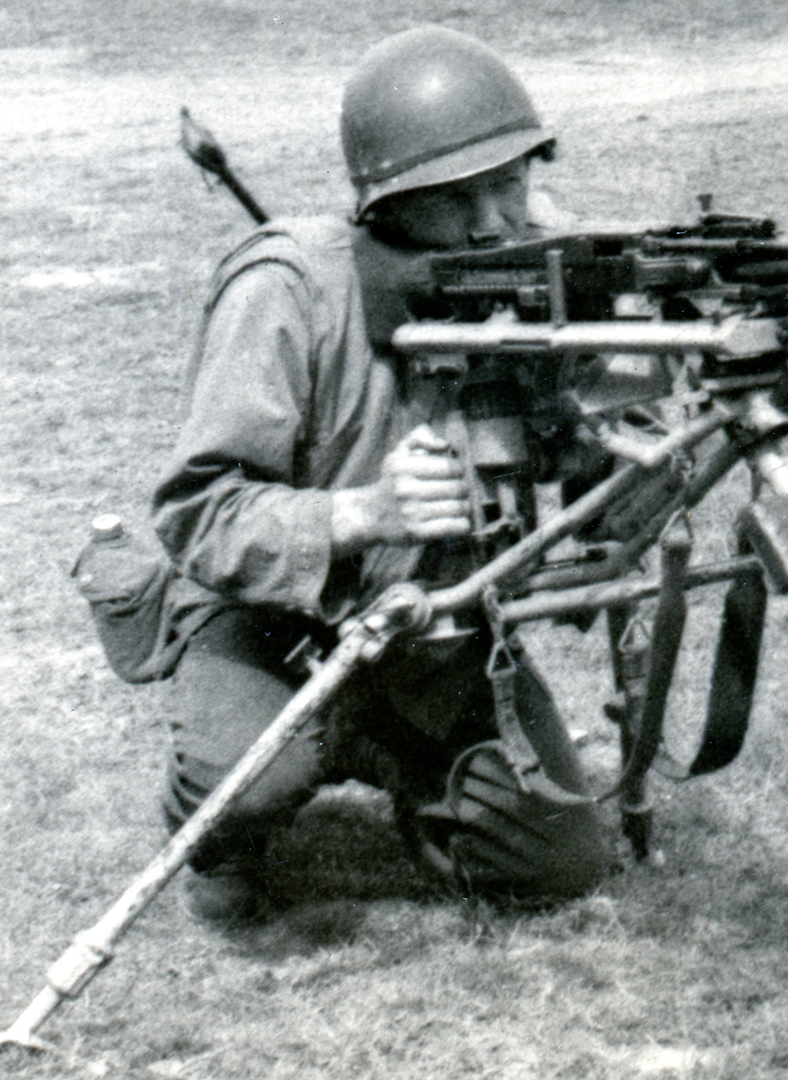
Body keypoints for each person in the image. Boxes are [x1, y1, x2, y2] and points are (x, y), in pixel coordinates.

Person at [148, 26, 615, 926]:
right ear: (388, 205)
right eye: (456, 199)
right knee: (241, 787)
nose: (492, 223)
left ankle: (403, 758)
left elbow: (589, 467)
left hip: (432, 634)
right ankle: (227, 819)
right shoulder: (286, 289)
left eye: (510, 182)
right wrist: (363, 512)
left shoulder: (535, 273)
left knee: (554, 861)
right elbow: (196, 511)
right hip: (272, 625)